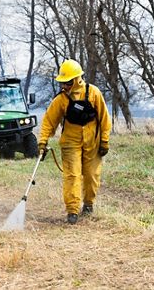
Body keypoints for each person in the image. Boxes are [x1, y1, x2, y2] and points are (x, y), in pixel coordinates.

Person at [38, 59, 111, 224]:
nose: (64, 86)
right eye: (62, 83)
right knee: (72, 176)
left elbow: (105, 119)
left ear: (77, 79)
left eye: (68, 82)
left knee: (91, 176)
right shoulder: (61, 99)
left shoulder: (93, 93)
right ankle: (72, 211)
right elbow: (49, 121)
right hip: (70, 144)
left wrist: (104, 140)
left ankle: (88, 204)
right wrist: (42, 142)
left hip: (93, 143)